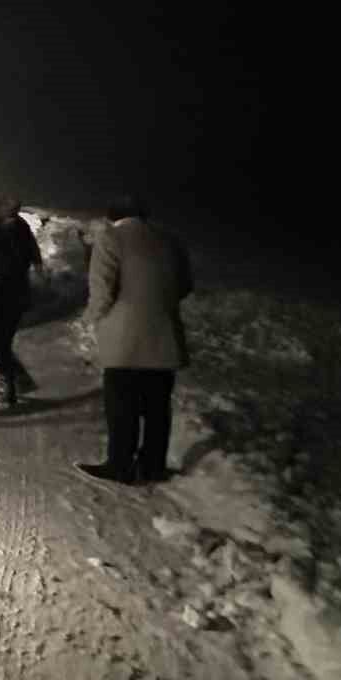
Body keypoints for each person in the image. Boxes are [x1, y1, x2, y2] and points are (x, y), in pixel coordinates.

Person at [76, 195, 193, 485]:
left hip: (124, 338)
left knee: (121, 406)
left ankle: (120, 464)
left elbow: (102, 290)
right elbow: (184, 285)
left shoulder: (111, 238)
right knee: (157, 408)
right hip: (164, 334)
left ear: (111, 215)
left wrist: (90, 319)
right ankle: (153, 466)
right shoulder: (169, 239)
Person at [0, 197, 44, 408]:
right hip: (8, 292)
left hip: (5, 293)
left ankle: (12, 386)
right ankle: (13, 384)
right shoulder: (10, 226)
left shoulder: (13, 229)